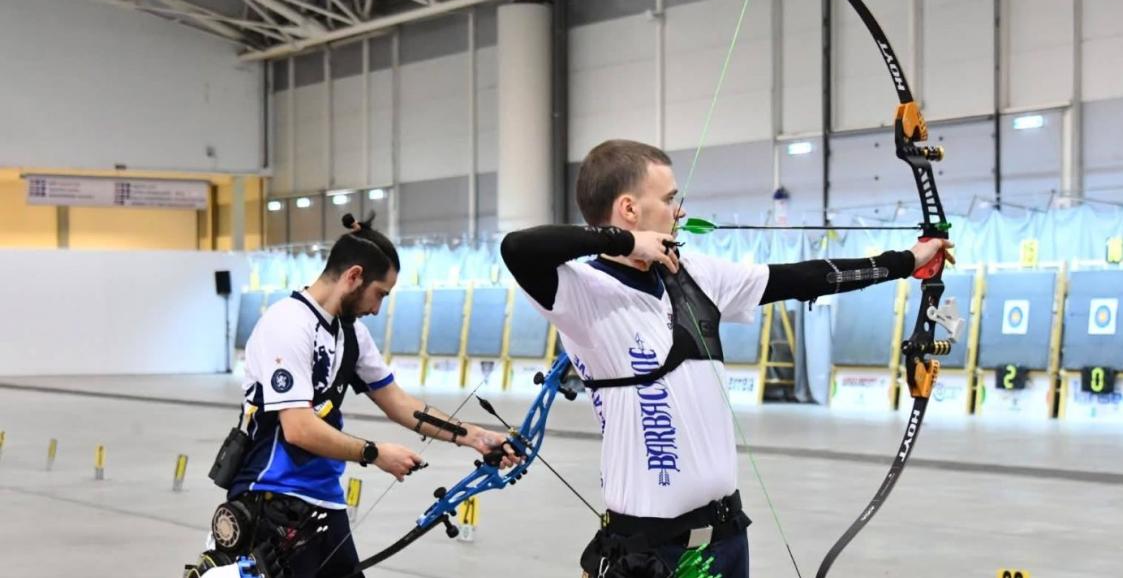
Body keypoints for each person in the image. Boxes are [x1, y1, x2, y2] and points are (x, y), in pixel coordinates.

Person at [500, 140, 951, 578]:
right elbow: (518, 247)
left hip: (727, 538)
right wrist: (626, 243)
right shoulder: (582, 293)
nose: (678, 211)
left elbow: (804, 278)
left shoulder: (695, 273)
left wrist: (907, 261)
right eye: (669, 198)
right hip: (649, 552)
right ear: (629, 209)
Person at [200, 213, 518, 578]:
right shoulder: (286, 323)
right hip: (271, 501)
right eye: (379, 293)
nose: (377, 308)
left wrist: (475, 436)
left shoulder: (350, 335)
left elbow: (399, 404)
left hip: (323, 502)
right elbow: (298, 429)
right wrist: (374, 453)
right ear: (353, 276)